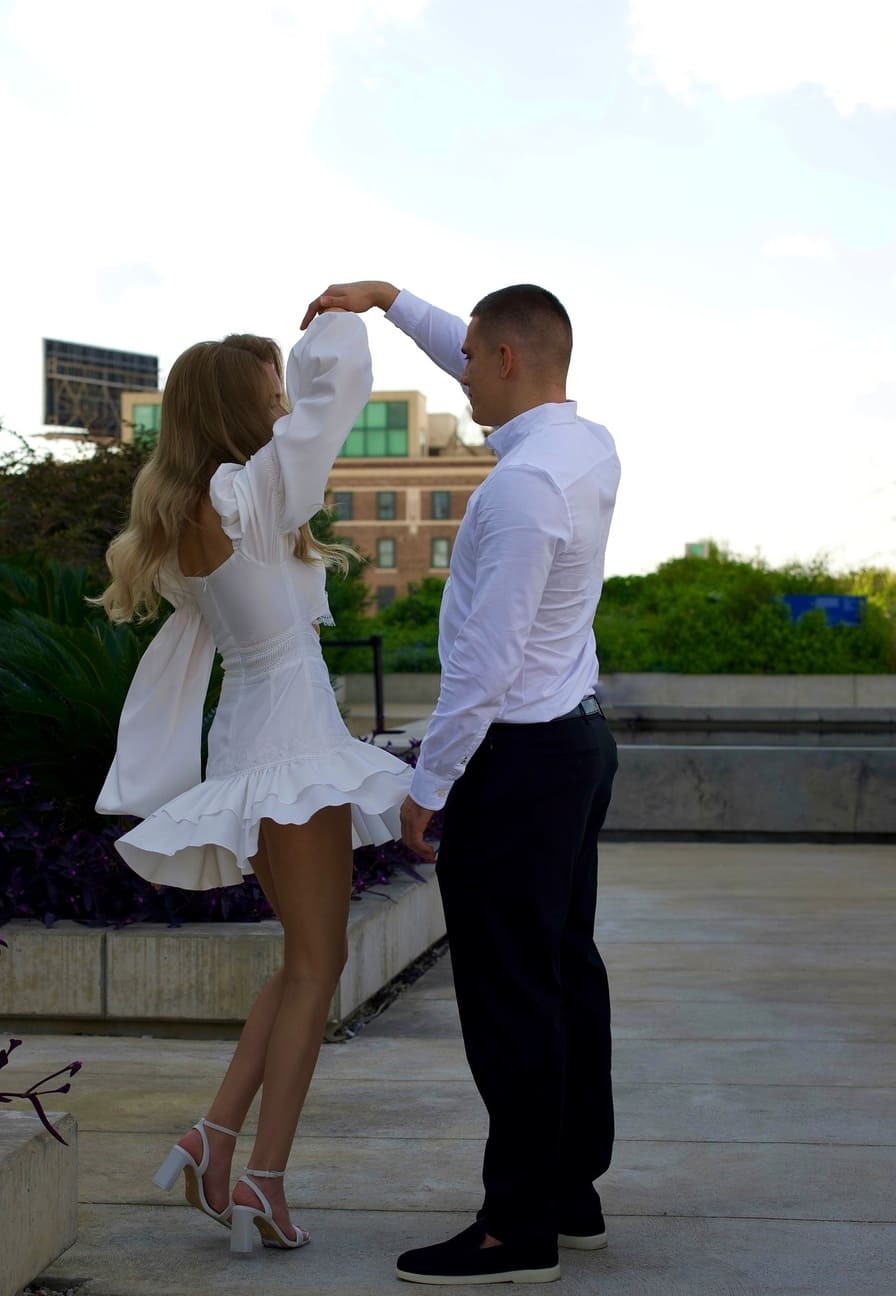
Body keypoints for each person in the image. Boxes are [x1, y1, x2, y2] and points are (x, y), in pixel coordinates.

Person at [301, 281, 621, 1286]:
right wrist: (391, 301)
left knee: (508, 994)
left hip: (516, 764)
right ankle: (569, 1191)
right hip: (574, 745)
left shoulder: (522, 490)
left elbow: (484, 663)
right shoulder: (585, 445)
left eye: (473, 361)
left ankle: (515, 1230)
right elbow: (478, 349)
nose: (461, 375)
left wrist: (429, 783)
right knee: (563, 971)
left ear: (509, 362)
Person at [94, 311, 412, 1257]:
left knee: (304, 959)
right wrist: (353, 307)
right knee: (319, 964)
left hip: (255, 741)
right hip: (288, 750)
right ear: (237, 409)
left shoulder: (201, 510)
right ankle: (262, 1179)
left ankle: (214, 1136)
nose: (285, 407)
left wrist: (294, 366)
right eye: (271, 394)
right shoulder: (248, 496)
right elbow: (337, 388)